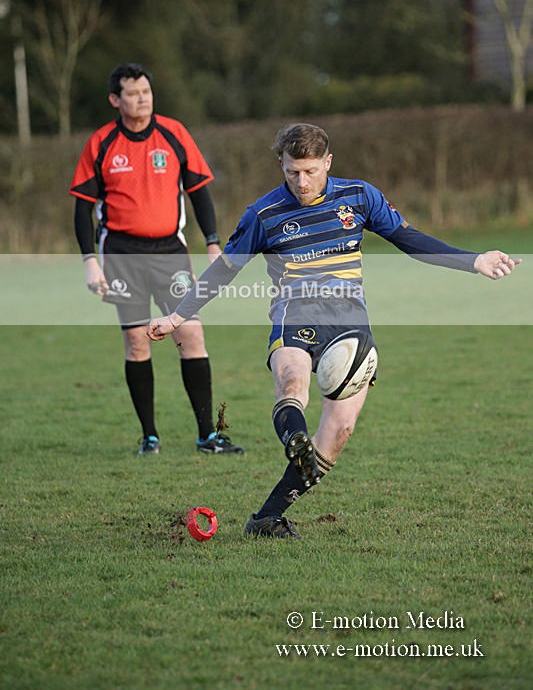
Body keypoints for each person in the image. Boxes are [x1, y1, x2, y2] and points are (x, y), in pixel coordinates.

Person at [146, 122, 520, 536]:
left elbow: (410, 240)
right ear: (281, 164)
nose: (302, 182)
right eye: (292, 172)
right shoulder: (263, 214)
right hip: (295, 312)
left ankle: (266, 518)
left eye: (310, 171)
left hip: (350, 322)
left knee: (339, 430)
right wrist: (178, 316)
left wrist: (473, 261)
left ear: (328, 162)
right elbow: (224, 270)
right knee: (292, 383)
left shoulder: (359, 196)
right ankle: (295, 440)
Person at [70, 62, 244, 456]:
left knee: (190, 334)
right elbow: (82, 207)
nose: (142, 99)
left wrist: (213, 243)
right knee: (137, 342)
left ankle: (207, 436)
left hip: (170, 253)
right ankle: (149, 437)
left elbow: (199, 191)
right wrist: (89, 261)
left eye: (146, 91)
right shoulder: (101, 143)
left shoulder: (174, 133)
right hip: (121, 254)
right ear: (115, 100)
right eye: (132, 93)